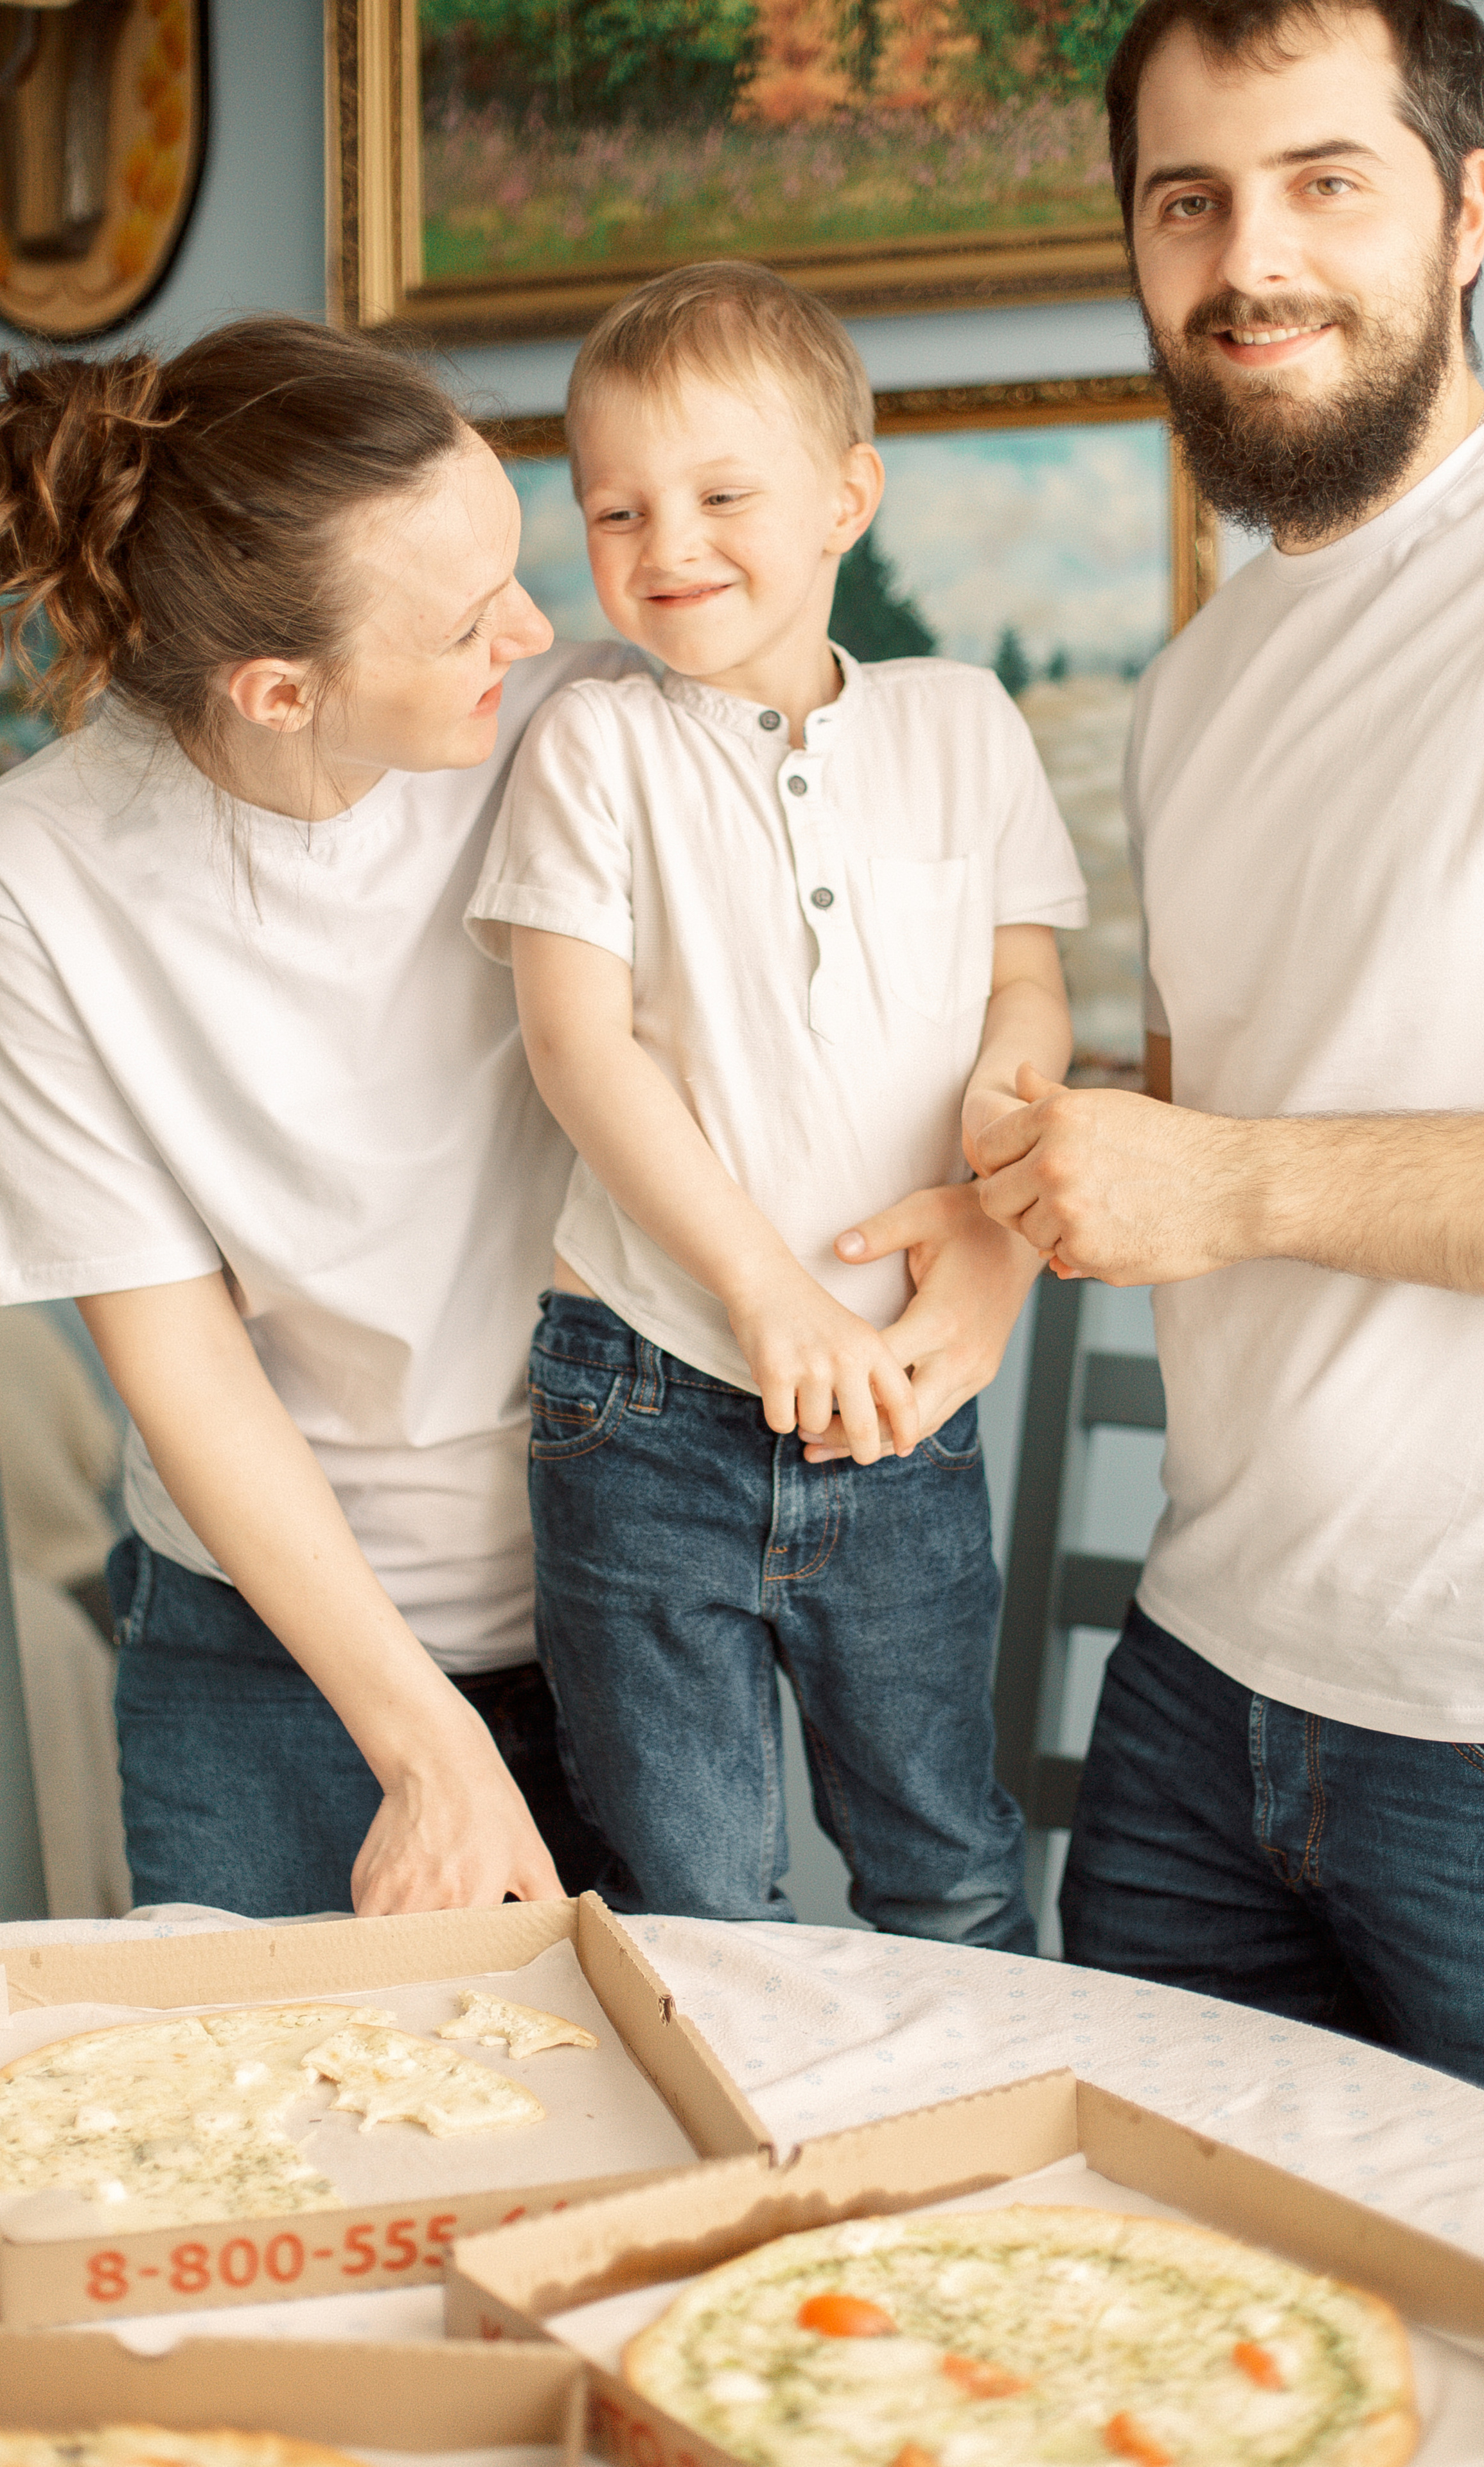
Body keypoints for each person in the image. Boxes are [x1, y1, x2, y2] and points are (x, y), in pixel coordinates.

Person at [0, 315, 640, 1920]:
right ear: (275, 689)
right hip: (262, 1651)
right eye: (467, 625)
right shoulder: (30, 880)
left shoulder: (580, 730)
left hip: (624, 1587)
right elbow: (177, 1353)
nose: (531, 630)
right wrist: (428, 1747)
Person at [967, 0, 1484, 2092]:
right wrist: (1015, 1191)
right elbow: (1188, 1135)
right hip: (1199, 1694)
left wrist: (1238, 1179)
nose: (1247, 260)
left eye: (1323, 183)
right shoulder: (1191, 691)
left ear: (1469, 207)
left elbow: (1231, 1172)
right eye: (1187, 200)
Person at [466, 263, 1087, 1940]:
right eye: (616, 508)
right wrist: (764, 1294)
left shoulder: (965, 726)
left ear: (845, 497)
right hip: (645, 1403)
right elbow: (578, 1048)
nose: (667, 546)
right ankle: (738, 2200)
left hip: (898, 1399)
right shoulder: (598, 749)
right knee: (688, 1896)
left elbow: (1028, 989)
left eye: (723, 494)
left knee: (948, 1866)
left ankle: (962, 2185)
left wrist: (999, 1166)